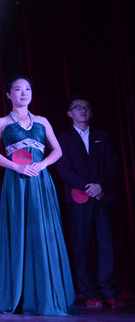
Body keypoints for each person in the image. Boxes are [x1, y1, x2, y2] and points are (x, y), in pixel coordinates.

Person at [0, 74, 75, 316]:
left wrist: (42, 164)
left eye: (27, 89)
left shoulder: (42, 121)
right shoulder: (1, 122)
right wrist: (17, 167)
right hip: (16, 182)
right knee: (19, 233)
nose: (23, 93)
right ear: (8, 94)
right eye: (17, 89)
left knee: (43, 233)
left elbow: (57, 150)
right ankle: (19, 295)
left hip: (40, 181)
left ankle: (47, 296)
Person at [55, 95, 120, 308]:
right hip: (78, 198)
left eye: (86, 107)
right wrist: (87, 187)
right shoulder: (63, 139)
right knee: (82, 245)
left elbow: (113, 165)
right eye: (78, 107)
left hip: (103, 197)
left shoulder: (103, 137)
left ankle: (109, 291)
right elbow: (63, 168)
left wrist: (100, 186)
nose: (83, 110)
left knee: (106, 244)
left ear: (91, 113)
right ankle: (89, 292)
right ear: (69, 113)